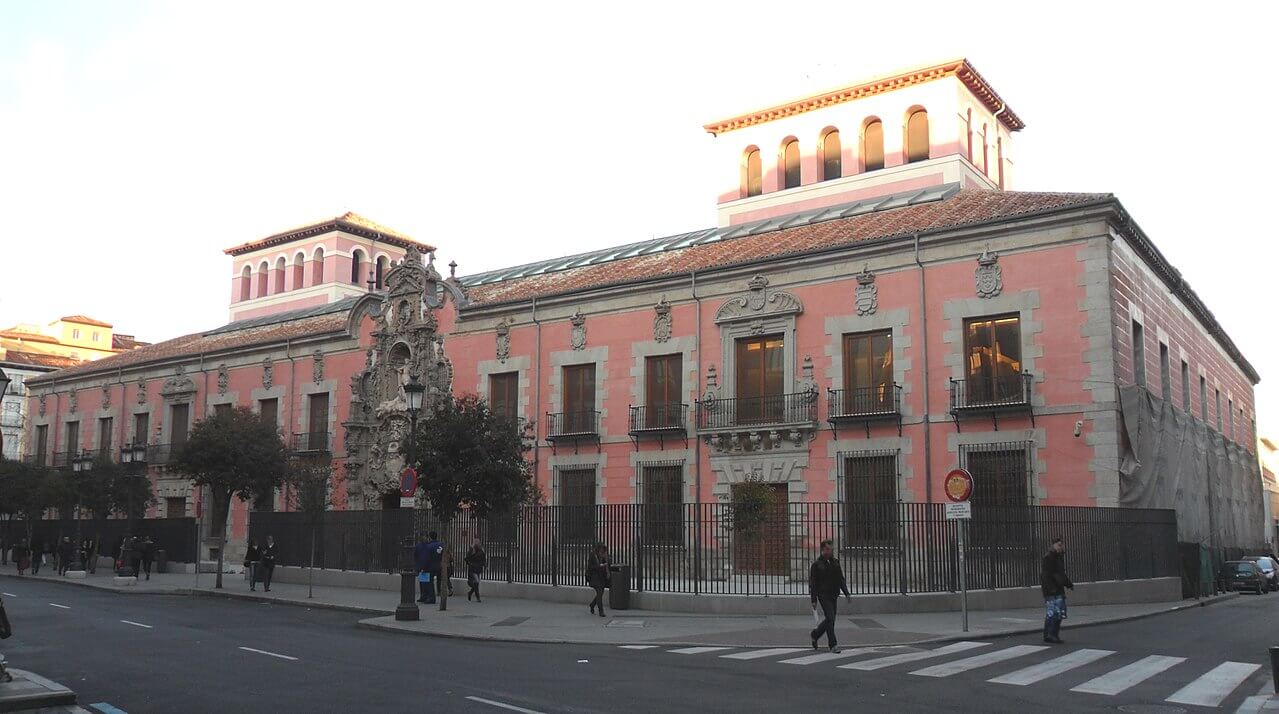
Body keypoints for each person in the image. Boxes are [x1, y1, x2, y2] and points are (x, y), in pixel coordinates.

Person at [808, 539, 851, 653]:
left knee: (830, 620)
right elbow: (813, 583)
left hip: (834, 594)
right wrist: (813, 599)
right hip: (823, 595)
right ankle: (833, 645)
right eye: (827, 549)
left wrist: (846, 593)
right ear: (822, 550)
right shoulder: (816, 565)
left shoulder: (835, 562)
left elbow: (840, 579)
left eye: (831, 549)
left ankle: (815, 634)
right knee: (830, 618)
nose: (830, 551)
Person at [1041, 537, 1073, 644]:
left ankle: (1050, 634)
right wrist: (1051, 588)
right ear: (1053, 545)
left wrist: (1068, 584)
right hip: (1052, 591)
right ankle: (1051, 635)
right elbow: (1046, 575)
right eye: (1059, 545)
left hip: (1057, 589)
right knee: (1054, 613)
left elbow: (1061, 574)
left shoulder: (1058, 557)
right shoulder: (1049, 557)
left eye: (1061, 545)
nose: (1061, 547)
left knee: (1057, 613)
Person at [414, 532, 442, 604]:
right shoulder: (440, 544)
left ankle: (430, 597)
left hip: (428, 566)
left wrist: (421, 567)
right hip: (437, 565)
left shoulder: (428, 546)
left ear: (429, 537)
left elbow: (425, 558)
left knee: (428, 583)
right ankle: (424, 596)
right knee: (424, 582)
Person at [586, 543, 611, 617]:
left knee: (600, 593)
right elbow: (590, 567)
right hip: (594, 577)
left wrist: (606, 559)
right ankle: (601, 611)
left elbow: (607, 565)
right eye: (601, 550)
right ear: (598, 549)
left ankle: (592, 604)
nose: (602, 552)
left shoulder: (603, 556)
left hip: (601, 578)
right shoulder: (592, 555)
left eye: (603, 550)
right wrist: (599, 566)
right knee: (599, 593)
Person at [464, 538, 487, 602]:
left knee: (476, 583)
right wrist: (470, 564)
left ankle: (470, 593)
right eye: (475, 542)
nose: (477, 543)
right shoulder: (472, 549)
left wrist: (485, 565)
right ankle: (478, 597)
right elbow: (466, 558)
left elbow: (483, 559)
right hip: (473, 568)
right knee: (476, 581)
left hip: (478, 568)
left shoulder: (481, 550)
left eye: (478, 542)